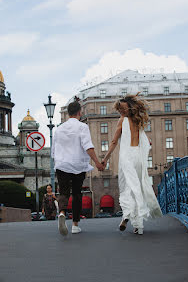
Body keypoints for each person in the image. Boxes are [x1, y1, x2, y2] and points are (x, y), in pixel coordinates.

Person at [102, 94, 162, 235]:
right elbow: (146, 140)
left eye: (123, 109)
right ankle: (138, 226)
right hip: (138, 157)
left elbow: (114, 142)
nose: (121, 112)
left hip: (127, 157)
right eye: (120, 110)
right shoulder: (137, 121)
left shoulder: (122, 121)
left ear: (128, 108)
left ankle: (127, 216)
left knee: (127, 188)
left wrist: (106, 158)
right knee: (137, 188)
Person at [52, 100, 104, 236]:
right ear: (80, 113)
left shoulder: (59, 129)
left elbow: (53, 151)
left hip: (62, 164)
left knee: (63, 192)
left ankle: (62, 213)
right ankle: (75, 225)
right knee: (76, 194)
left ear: (69, 113)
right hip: (78, 165)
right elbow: (88, 147)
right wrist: (97, 163)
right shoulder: (82, 127)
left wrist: (57, 162)